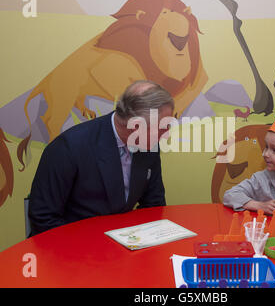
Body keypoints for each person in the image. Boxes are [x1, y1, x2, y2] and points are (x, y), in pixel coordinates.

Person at [29, 80, 174, 235]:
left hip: (123, 245)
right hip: (75, 246)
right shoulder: (68, 147)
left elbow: (153, 204)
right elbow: (43, 218)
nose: (165, 135)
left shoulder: (148, 144)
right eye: (162, 128)